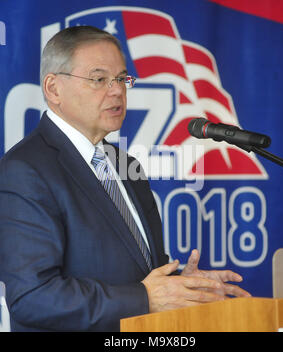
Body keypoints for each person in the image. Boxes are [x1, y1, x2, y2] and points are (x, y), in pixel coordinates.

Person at [0, 26, 250, 332]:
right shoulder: (25, 169)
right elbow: (33, 297)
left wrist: (182, 286)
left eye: (121, 79)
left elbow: (139, 275)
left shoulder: (124, 165)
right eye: (99, 79)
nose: (117, 90)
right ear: (53, 89)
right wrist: (144, 298)